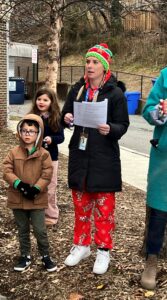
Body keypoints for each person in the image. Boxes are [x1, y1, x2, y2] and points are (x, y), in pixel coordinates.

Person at [61, 43, 129, 275]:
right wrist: (67, 117)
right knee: (81, 206)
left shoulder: (116, 93)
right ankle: (81, 245)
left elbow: (124, 125)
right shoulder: (77, 89)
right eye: (87, 61)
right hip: (80, 156)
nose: (89, 66)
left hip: (104, 158)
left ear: (104, 67)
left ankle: (103, 250)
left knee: (103, 210)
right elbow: (64, 116)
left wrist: (110, 128)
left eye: (94, 62)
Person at [3, 114, 57, 272]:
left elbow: (47, 173)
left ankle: (45, 256)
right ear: (20, 132)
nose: (27, 134)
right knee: (22, 228)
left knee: (40, 229)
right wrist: (19, 184)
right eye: (24, 130)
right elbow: (6, 170)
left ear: (38, 134)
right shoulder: (13, 152)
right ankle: (25, 256)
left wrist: (36, 188)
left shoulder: (44, 154)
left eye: (31, 131)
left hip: (36, 198)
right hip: (17, 197)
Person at [141, 67, 167, 289]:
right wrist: (160, 112)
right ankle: (152, 259)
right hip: (165, 156)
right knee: (160, 210)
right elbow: (149, 109)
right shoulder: (165, 76)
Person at [30, 87, 64, 226]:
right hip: (33, 156)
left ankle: (51, 215)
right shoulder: (32, 117)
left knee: (50, 186)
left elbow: (60, 137)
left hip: (51, 157)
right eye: (39, 99)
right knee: (35, 185)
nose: (41, 102)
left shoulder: (55, 118)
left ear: (51, 102)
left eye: (45, 100)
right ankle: (36, 213)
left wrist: (51, 139)